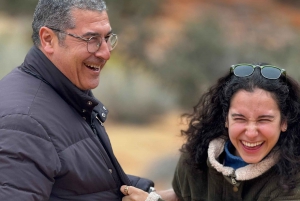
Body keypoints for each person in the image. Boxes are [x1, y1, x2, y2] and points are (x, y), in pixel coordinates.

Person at [0, 0, 155, 200]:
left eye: (107, 38)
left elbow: (91, 185)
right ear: (48, 39)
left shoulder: (69, 94)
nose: (106, 52)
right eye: (91, 39)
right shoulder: (24, 123)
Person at [120, 63, 300, 201]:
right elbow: (183, 196)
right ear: (226, 119)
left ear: (284, 121)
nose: (251, 132)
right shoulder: (195, 159)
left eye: (264, 120)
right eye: (240, 118)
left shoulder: (294, 177)